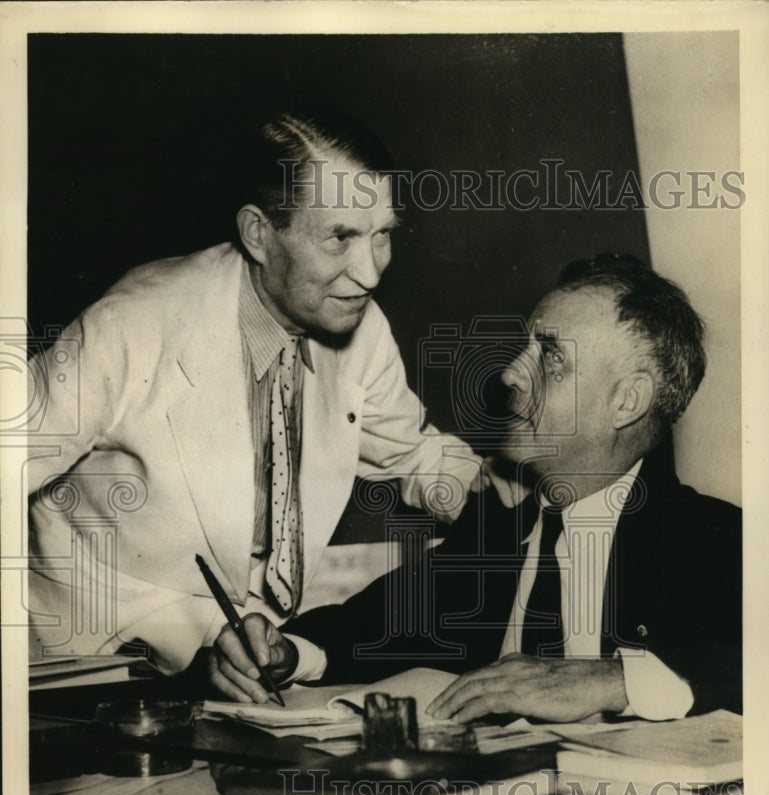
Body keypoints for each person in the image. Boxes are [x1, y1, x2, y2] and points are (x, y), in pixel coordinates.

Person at [27, 107, 479, 677]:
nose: (370, 273)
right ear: (259, 234)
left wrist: (499, 490)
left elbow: (411, 454)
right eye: (340, 238)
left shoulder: (358, 324)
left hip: (242, 656)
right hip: (82, 660)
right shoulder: (132, 325)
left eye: (382, 235)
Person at [212, 253, 741, 722]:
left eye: (551, 356)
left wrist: (613, 679)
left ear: (627, 402)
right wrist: (284, 652)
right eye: (525, 346)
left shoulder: (717, 544)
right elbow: (374, 627)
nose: (511, 373)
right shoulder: (496, 527)